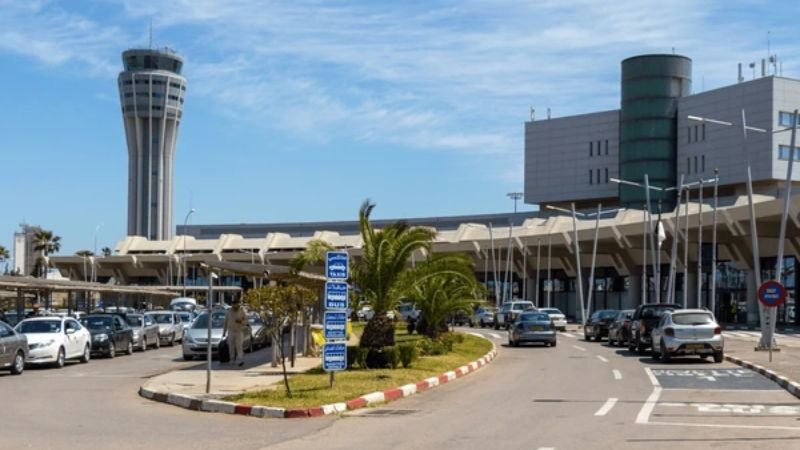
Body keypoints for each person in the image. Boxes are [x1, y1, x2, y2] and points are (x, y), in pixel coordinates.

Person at [223, 300, 248, 367]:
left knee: (239, 346)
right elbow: (225, 322)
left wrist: (241, 321)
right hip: (231, 331)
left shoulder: (241, 312)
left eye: (237, 305)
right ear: (232, 305)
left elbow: (246, 321)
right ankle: (232, 359)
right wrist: (224, 332)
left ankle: (240, 360)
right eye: (234, 305)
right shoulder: (228, 312)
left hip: (239, 331)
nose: (236, 306)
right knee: (231, 346)